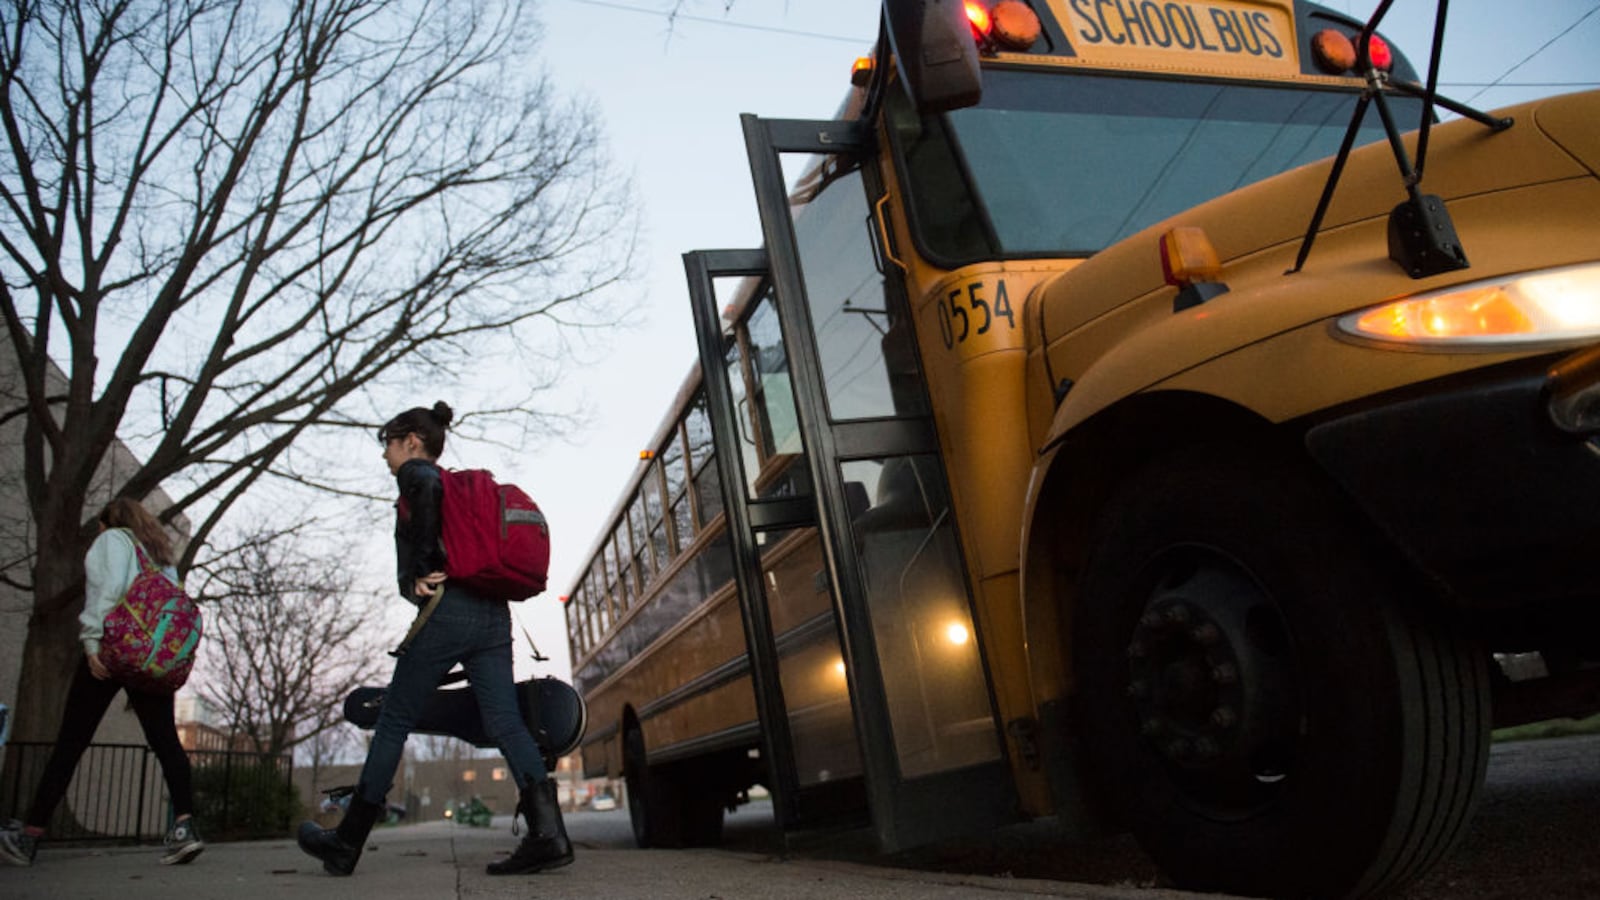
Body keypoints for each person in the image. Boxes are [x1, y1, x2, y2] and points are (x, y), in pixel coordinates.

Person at [296, 401, 570, 877]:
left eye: (390, 445)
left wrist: (422, 567)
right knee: (504, 719)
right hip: (491, 614)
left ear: (412, 442)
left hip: (450, 610)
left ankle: (346, 841)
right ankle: (549, 835)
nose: (386, 456)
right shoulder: (455, 488)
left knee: (395, 717)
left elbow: (420, 487)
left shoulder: (420, 475)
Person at [0, 498, 205, 867]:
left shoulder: (114, 541)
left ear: (109, 522)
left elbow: (106, 592)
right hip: (151, 659)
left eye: (99, 526)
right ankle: (184, 829)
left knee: (71, 742)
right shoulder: (160, 556)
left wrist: (92, 642)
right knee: (166, 743)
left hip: (114, 650)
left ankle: (29, 836)